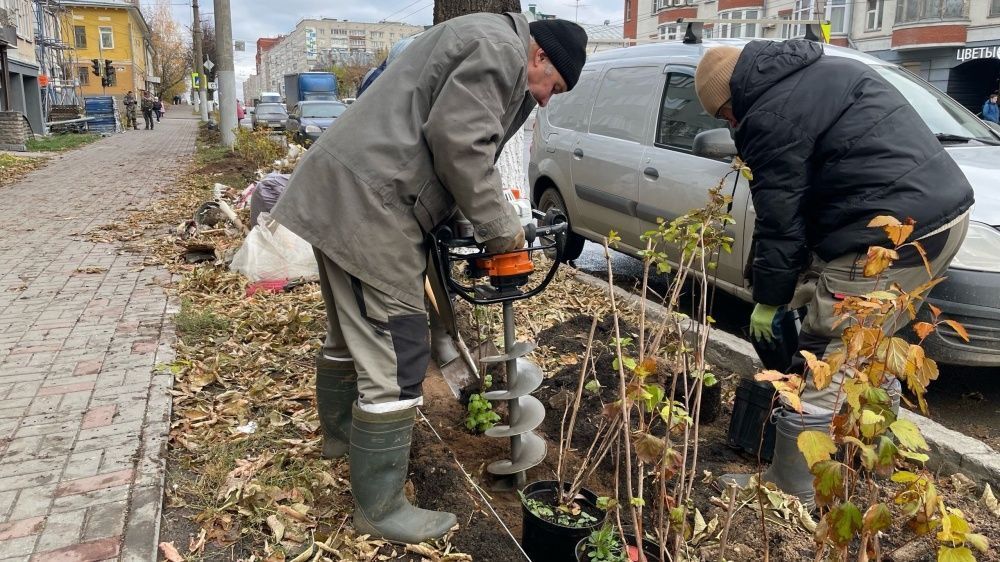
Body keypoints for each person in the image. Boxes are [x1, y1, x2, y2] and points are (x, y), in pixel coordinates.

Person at [272, 13, 586, 544]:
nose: (547, 100)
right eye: (553, 86)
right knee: (398, 349)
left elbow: (442, 141)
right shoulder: (499, 53)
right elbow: (459, 143)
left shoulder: (484, 37)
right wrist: (501, 231)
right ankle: (382, 508)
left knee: (352, 331)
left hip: (348, 191)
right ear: (539, 57)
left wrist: (465, 217)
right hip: (372, 206)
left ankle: (342, 439)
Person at [695, 39, 973, 508]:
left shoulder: (769, 114)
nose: (729, 124)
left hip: (889, 236)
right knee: (872, 350)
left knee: (824, 356)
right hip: (941, 217)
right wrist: (791, 282)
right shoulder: (827, 71)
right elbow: (814, 194)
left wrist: (769, 298)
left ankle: (790, 491)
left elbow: (780, 217)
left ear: (733, 97)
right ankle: (871, 470)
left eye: (724, 115)